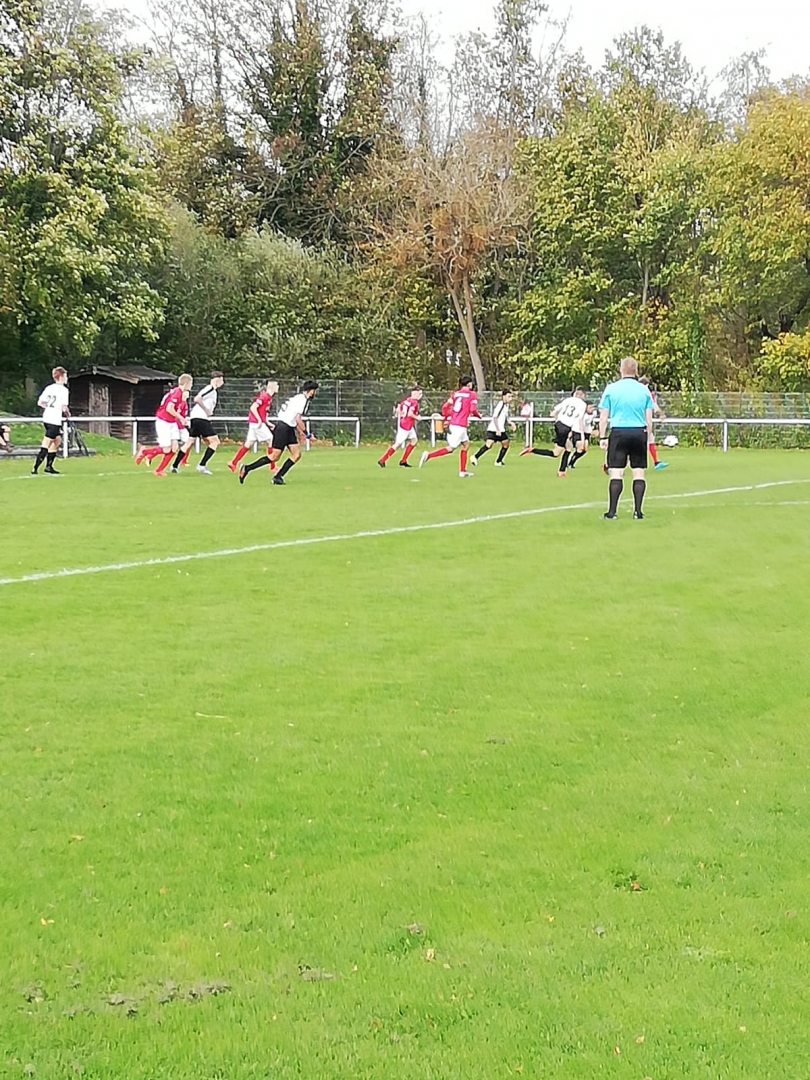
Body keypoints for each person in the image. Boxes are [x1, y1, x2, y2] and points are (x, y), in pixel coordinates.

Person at [598, 356, 654, 519]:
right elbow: (649, 418)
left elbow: (603, 417)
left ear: (621, 370)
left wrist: (602, 437)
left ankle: (612, 512)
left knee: (616, 473)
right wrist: (648, 436)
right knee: (638, 473)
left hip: (618, 432)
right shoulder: (643, 390)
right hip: (638, 432)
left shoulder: (611, 389)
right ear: (636, 371)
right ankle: (638, 511)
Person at [239, 380, 319, 486]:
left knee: (296, 454)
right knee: (274, 457)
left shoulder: (297, 398)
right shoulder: (302, 400)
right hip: (283, 428)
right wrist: (307, 434)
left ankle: (278, 477)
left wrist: (302, 433)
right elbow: (298, 419)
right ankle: (247, 468)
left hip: (288, 428)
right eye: (314, 391)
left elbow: (294, 420)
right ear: (311, 391)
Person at [419, 375, 480, 477]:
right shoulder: (472, 394)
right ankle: (428, 455)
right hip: (460, 425)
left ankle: (462, 471)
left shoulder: (455, 394)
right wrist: (478, 416)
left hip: (455, 423)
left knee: (466, 444)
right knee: (451, 448)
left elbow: (445, 407)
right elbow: (473, 409)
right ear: (469, 384)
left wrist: (447, 417)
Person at [520, 387, 587, 476]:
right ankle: (561, 471)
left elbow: (554, 412)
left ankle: (561, 470)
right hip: (565, 427)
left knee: (566, 448)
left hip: (558, 424)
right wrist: (582, 436)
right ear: (582, 395)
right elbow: (579, 420)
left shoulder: (568, 399)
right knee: (559, 452)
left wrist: (556, 418)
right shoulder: (583, 404)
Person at [135, 374, 192, 476]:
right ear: (187, 383)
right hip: (163, 421)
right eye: (191, 384)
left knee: (174, 448)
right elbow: (169, 409)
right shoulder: (177, 392)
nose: (191, 386)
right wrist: (181, 418)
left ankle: (158, 470)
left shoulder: (177, 392)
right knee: (166, 449)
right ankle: (145, 451)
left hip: (172, 422)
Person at [173, 372, 224, 474]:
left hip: (196, 418)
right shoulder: (210, 388)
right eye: (222, 380)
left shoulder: (211, 390)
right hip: (201, 418)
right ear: (217, 379)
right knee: (215, 442)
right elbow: (197, 398)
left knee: (189, 442)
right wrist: (207, 411)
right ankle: (201, 465)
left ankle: (174, 466)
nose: (222, 382)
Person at [228, 380, 279, 472]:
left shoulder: (269, 397)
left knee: (248, 444)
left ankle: (233, 462)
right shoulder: (264, 396)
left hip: (255, 423)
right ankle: (272, 467)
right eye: (277, 385)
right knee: (271, 439)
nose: (278, 387)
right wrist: (259, 420)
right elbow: (253, 407)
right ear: (272, 387)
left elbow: (263, 412)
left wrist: (267, 422)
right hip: (256, 423)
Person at [32, 367, 70, 475]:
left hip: (47, 418)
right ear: (61, 377)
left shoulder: (49, 388)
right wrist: (68, 414)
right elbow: (64, 407)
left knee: (57, 441)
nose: (66, 378)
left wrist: (49, 408)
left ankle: (49, 466)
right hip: (54, 420)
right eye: (65, 376)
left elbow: (40, 402)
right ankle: (35, 467)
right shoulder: (64, 390)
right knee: (47, 443)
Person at [378, 387, 423, 467]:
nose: (420, 395)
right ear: (415, 393)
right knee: (397, 444)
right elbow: (410, 414)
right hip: (406, 426)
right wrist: (417, 417)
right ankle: (382, 460)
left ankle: (403, 461)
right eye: (419, 393)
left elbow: (399, 408)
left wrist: (400, 413)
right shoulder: (414, 402)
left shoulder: (407, 400)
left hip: (406, 424)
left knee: (414, 440)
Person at [472, 389, 517, 467]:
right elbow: (495, 417)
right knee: (489, 445)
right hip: (495, 429)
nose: (510, 398)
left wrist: (511, 423)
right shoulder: (501, 404)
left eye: (511, 396)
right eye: (509, 396)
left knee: (505, 444)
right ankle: (475, 457)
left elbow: (505, 417)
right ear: (504, 396)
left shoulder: (506, 405)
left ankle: (498, 461)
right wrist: (498, 429)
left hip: (500, 429)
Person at [639, 375, 669, 470]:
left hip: (638, 422)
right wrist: (661, 414)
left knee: (650, 440)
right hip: (644, 423)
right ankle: (610, 464)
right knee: (637, 445)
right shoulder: (647, 394)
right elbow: (655, 407)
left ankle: (656, 462)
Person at [567, 403, 595, 469]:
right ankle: (570, 463)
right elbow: (579, 423)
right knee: (580, 449)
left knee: (585, 450)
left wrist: (593, 429)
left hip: (586, 432)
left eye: (592, 407)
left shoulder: (594, 413)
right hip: (578, 431)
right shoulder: (582, 414)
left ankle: (572, 461)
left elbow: (591, 422)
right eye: (589, 408)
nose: (591, 409)